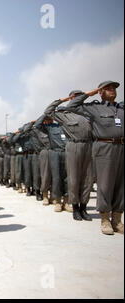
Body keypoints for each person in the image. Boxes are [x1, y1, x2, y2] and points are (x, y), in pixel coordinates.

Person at [63, 81, 123, 235]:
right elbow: (71, 107)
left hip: (121, 147)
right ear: (101, 92)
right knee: (105, 184)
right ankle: (105, 220)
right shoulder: (94, 108)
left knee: (121, 185)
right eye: (108, 89)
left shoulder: (121, 110)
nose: (112, 91)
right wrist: (89, 94)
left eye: (114, 89)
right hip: (104, 147)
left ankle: (117, 219)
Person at [45, 90, 93, 221]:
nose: (79, 99)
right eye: (76, 97)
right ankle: (75, 207)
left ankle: (84, 207)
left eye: (80, 97)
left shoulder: (88, 112)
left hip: (89, 146)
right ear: (71, 98)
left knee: (88, 179)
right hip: (74, 146)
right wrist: (62, 100)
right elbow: (48, 112)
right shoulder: (63, 114)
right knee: (74, 178)